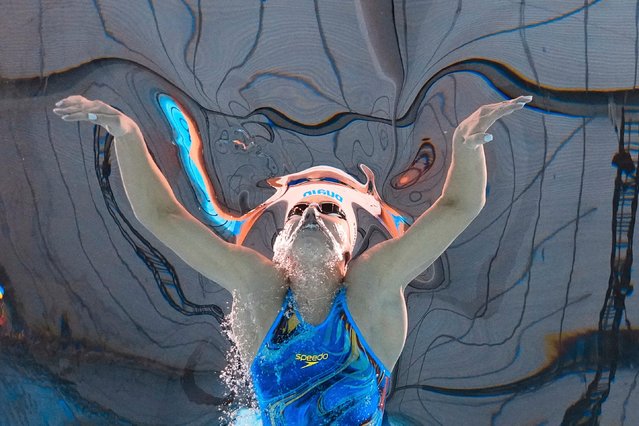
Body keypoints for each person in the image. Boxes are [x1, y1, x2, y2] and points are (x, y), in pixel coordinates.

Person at [53, 94, 531, 425]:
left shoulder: (371, 290)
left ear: (349, 246)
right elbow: (162, 217)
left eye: (328, 209)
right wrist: (127, 132)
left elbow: (459, 207)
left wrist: (466, 144)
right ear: (279, 239)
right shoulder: (259, 287)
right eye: (299, 208)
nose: (310, 214)